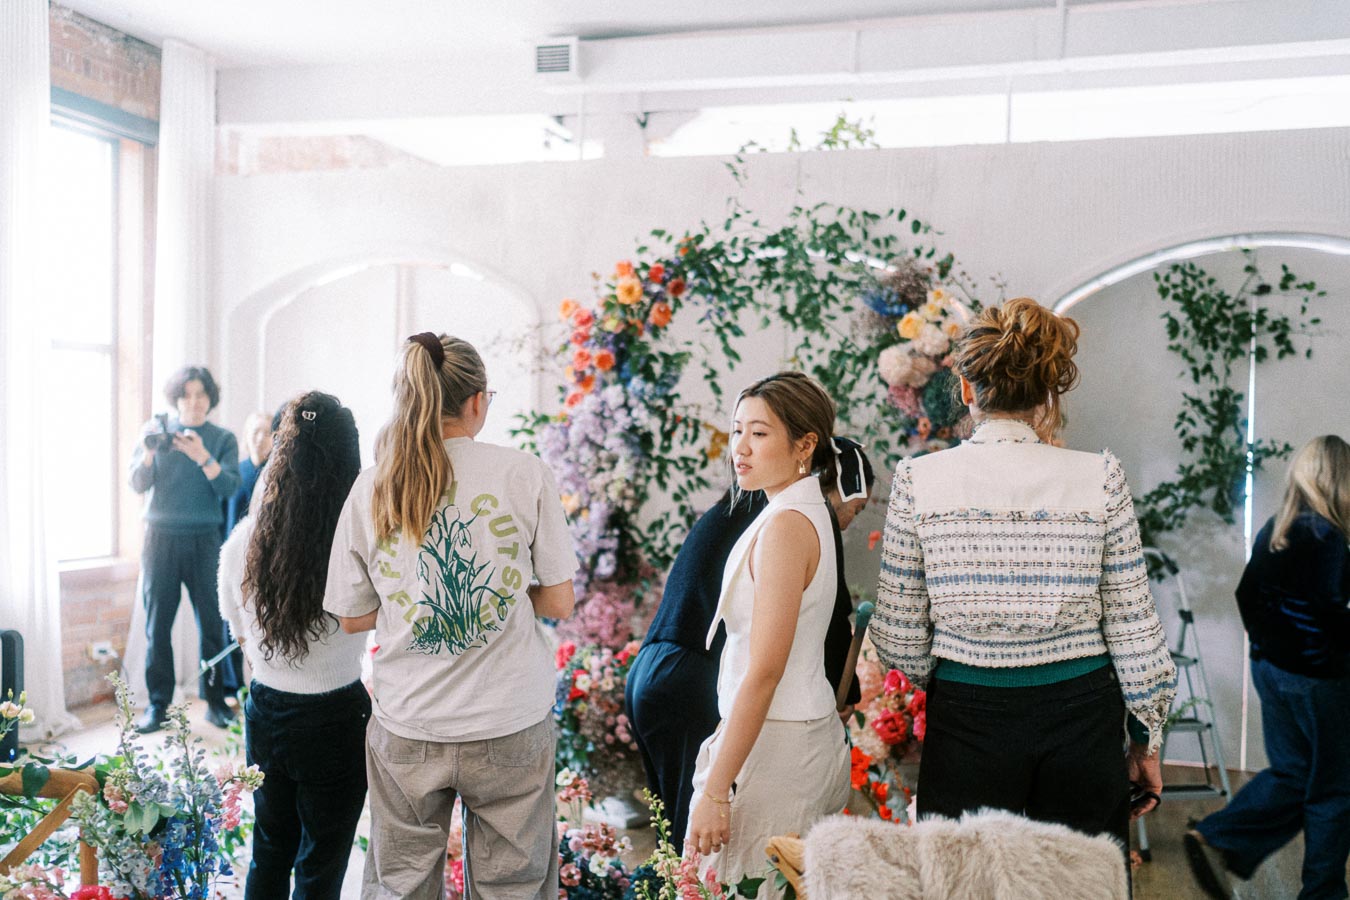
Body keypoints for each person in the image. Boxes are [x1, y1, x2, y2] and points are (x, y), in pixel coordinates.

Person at [871, 297, 1177, 859]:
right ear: (1048, 393)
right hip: (1081, 723)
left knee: (967, 887)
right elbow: (1135, 631)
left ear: (966, 387)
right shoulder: (1100, 477)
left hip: (966, 721)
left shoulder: (918, 480)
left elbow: (901, 642)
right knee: (1078, 888)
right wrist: (1146, 745)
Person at [324, 333, 576, 900]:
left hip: (409, 722)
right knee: (513, 886)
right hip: (509, 720)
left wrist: (412, 595)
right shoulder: (524, 473)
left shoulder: (373, 487)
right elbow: (560, 601)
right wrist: (503, 594)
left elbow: (351, 618)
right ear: (478, 402)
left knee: (400, 883)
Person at [626, 435, 872, 851]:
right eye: (856, 508)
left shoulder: (750, 502)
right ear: (835, 488)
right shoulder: (802, 517)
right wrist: (844, 695)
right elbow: (828, 617)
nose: (849, 521)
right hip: (694, 678)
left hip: (652, 671)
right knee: (702, 846)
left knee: (673, 848)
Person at [686, 372, 851, 894]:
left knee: (746, 886)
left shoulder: (787, 525)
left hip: (780, 742)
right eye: (737, 431)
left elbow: (764, 671)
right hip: (792, 731)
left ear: (805, 445)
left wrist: (716, 791)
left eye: (759, 434)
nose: (740, 448)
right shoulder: (794, 508)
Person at [217, 391, 369, 900]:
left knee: (269, 852)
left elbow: (239, 632)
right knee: (321, 865)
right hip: (336, 720)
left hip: (268, 712)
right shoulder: (361, 545)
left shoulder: (242, 542)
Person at [1186, 435, 1350, 900]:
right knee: (1334, 790)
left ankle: (1217, 838)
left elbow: (1247, 597)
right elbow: (1333, 616)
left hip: (1272, 673)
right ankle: (1322, 895)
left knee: (1294, 774)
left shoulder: (1277, 528)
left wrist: (1268, 648)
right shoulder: (1330, 537)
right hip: (1320, 681)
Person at [129, 365, 241, 733]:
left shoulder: (222, 439)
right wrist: (147, 453)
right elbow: (137, 482)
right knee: (156, 626)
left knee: (211, 623)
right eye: (186, 395)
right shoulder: (157, 435)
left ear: (210, 399)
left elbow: (228, 488)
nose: (194, 402)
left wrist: (202, 457)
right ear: (176, 399)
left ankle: (214, 702)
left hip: (205, 539)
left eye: (200, 395)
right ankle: (158, 706)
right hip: (159, 538)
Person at [225, 409, 277, 535]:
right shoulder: (233, 471)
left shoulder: (278, 474)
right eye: (255, 431)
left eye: (266, 433)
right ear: (247, 435)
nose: (260, 438)